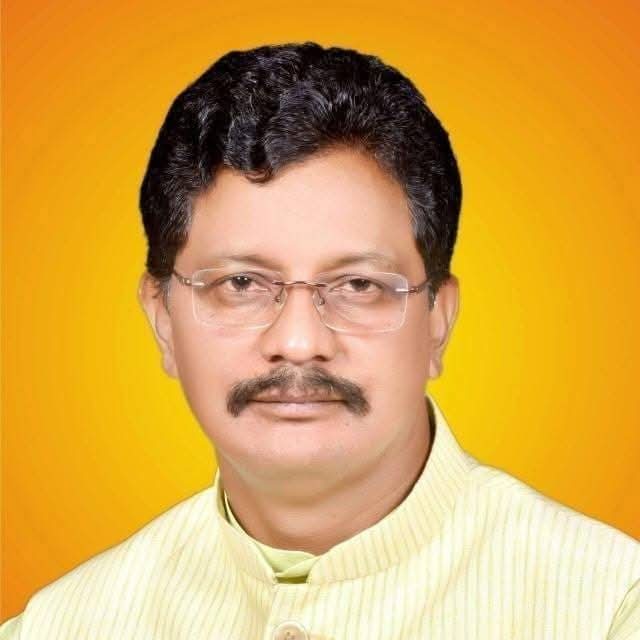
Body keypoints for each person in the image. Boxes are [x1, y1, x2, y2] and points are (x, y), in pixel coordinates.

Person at [1, 41, 638, 640]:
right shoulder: (61, 627)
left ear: (438, 321)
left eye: (358, 284)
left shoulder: (609, 607)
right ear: (162, 317)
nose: (300, 342)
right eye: (241, 283)